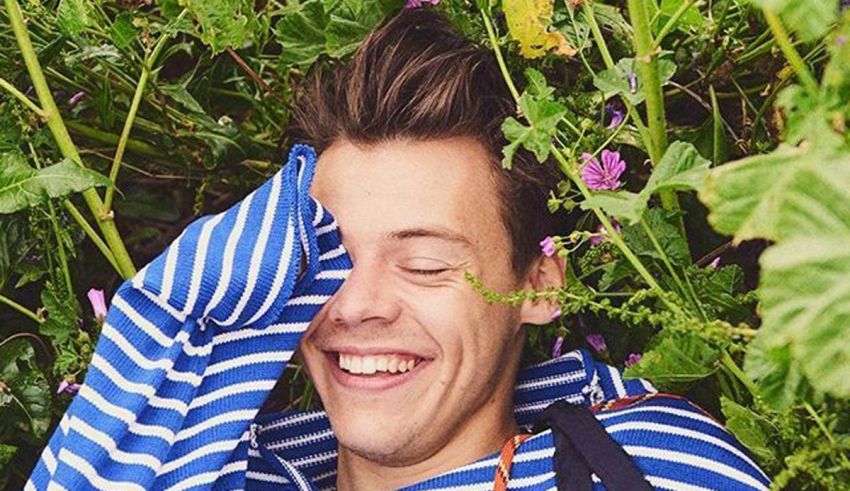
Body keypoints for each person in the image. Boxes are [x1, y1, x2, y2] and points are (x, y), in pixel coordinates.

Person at [27, 8, 770, 491]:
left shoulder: (645, 471)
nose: (357, 302)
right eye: (327, 256)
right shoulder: (204, 468)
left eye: (425, 265)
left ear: (541, 284)